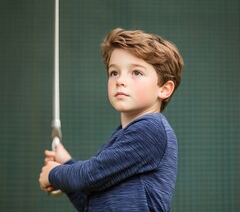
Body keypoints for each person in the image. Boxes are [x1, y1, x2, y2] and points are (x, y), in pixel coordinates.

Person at [39, 28, 184, 212]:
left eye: (136, 72)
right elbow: (91, 201)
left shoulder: (151, 129)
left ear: (164, 88)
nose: (120, 80)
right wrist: (66, 163)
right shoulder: (122, 137)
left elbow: (91, 174)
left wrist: (53, 174)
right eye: (114, 72)